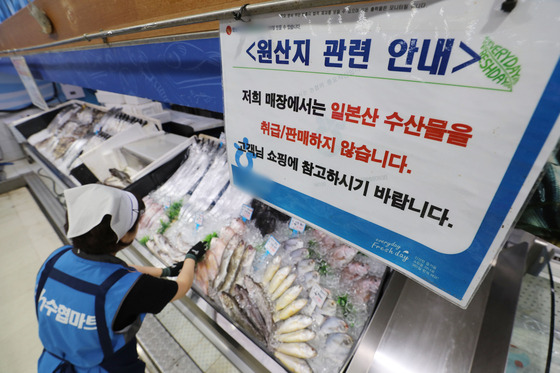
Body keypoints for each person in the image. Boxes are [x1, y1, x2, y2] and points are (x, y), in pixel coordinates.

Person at [35, 184, 206, 372]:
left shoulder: (56, 258)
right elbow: (181, 286)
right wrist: (191, 258)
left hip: (53, 365)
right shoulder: (132, 290)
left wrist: (163, 272)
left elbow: (109, 271)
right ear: (125, 236)